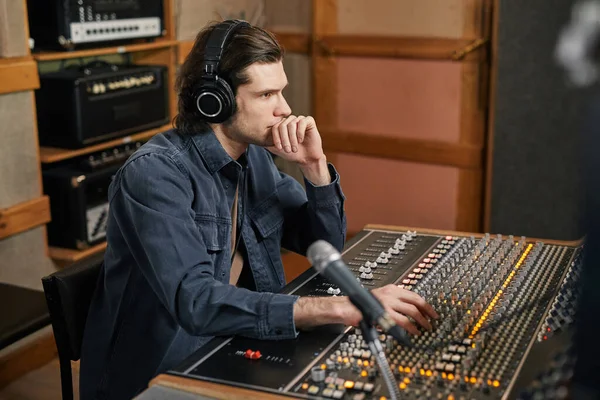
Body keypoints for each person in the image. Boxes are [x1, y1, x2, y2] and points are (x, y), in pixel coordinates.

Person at [79, 20, 438, 400]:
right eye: (266, 95)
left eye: (281, 92)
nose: (285, 109)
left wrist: (314, 168)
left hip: (232, 343)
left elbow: (324, 246)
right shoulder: (155, 174)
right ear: (214, 99)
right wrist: (337, 307)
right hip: (162, 373)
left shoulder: (255, 161)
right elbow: (196, 302)